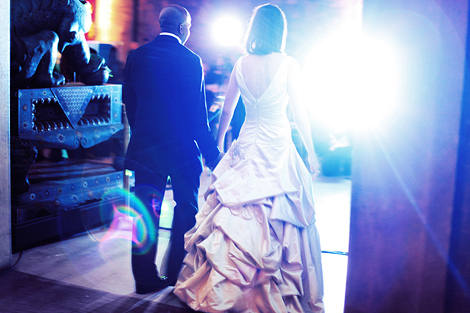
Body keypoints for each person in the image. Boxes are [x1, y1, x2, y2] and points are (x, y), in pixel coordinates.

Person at [174, 3, 324, 313]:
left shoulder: (241, 64)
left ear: (254, 28)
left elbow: (227, 110)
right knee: (278, 215)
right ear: (280, 31)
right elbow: (300, 112)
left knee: (232, 213)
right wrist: (310, 151)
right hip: (277, 147)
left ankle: (224, 290)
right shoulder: (288, 64)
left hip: (246, 142)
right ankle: (273, 290)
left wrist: (216, 151)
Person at [122, 4, 221, 294]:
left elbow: (130, 101)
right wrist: (213, 156)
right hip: (181, 153)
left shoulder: (137, 56)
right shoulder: (191, 60)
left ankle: (144, 279)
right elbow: (196, 117)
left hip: (146, 150)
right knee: (186, 211)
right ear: (182, 28)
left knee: (145, 215)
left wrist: (141, 134)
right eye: (188, 27)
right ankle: (175, 273)